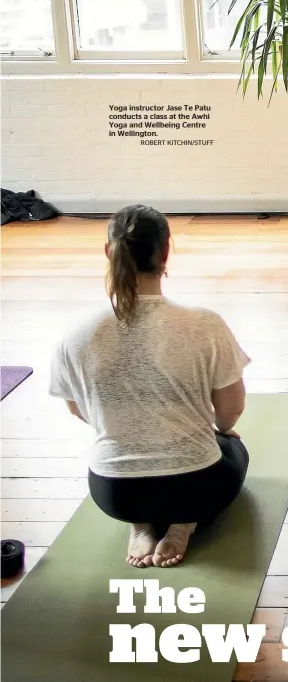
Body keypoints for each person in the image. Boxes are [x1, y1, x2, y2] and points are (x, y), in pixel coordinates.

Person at [49, 205, 251, 568]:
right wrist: (222, 432)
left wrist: (123, 429)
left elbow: (76, 408)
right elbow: (231, 410)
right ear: (165, 253)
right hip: (199, 487)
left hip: (114, 493)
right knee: (234, 449)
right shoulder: (205, 324)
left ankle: (141, 525)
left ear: (110, 252)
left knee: (132, 469)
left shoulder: (76, 334)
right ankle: (183, 522)